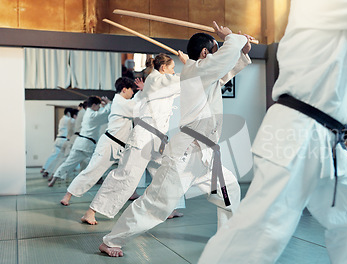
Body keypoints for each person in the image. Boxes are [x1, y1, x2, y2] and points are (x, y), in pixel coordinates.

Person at [198, 1, 347, 263]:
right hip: (298, 132)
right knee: (259, 232)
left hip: (323, 137)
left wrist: (234, 41)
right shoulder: (318, 4)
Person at [98, 23, 252, 257]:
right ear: (204, 53)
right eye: (216, 47)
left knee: (229, 192)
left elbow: (228, 68)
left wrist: (242, 51)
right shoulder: (197, 71)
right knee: (157, 204)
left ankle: (226, 238)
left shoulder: (204, 74)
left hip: (206, 155)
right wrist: (232, 38)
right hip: (186, 154)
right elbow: (224, 60)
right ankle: (111, 240)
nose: (219, 49)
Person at [79, 54, 185, 225]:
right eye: (172, 68)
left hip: (156, 139)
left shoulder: (161, 83)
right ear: (163, 68)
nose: (174, 72)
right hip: (143, 138)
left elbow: (186, 84)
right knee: (125, 175)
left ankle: (167, 208)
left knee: (166, 173)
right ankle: (91, 211)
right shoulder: (156, 80)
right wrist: (191, 65)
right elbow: (183, 80)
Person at [59, 77, 138, 207]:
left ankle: (132, 192)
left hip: (121, 146)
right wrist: (143, 92)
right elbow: (137, 108)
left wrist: (108, 103)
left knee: (128, 170)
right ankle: (68, 195)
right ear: (124, 89)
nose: (133, 93)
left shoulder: (120, 102)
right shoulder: (120, 102)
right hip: (109, 144)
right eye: (131, 90)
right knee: (93, 171)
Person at [49, 96, 111, 187]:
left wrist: (104, 105)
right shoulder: (92, 115)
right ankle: (98, 179)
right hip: (87, 144)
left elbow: (102, 112)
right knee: (97, 162)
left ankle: (54, 178)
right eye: (98, 106)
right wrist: (109, 103)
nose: (99, 108)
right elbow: (106, 113)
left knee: (69, 163)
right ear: (94, 105)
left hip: (79, 143)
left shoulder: (87, 113)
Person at [41, 107, 73, 177]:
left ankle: (45, 169)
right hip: (63, 140)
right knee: (64, 158)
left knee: (54, 156)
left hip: (58, 139)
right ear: (68, 113)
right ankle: (55, 173)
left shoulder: (63, 119)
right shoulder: (67, 119)